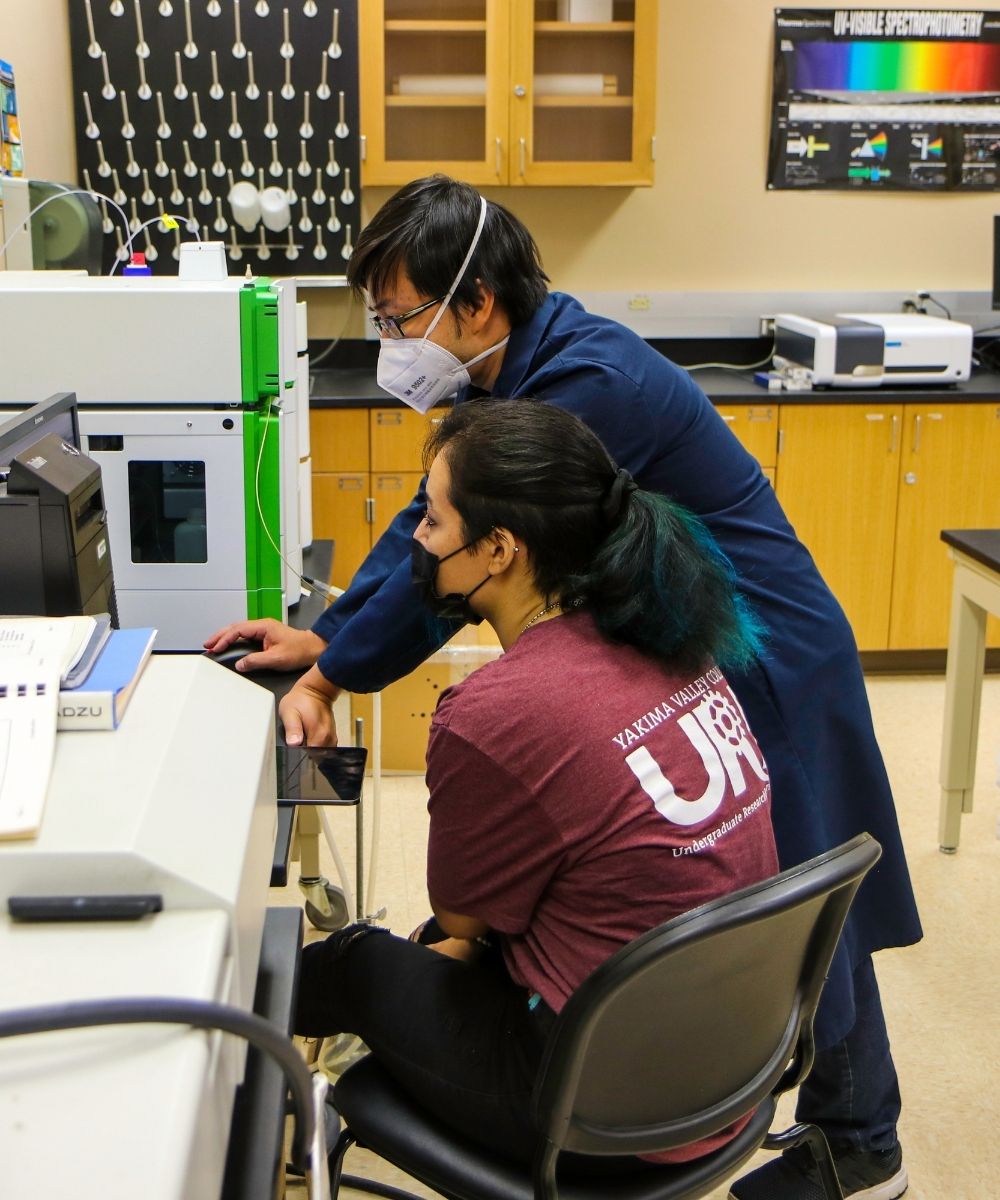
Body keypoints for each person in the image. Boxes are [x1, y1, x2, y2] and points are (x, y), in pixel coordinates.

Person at [206, 175, 920, 1199]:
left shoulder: (583, 384)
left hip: (766, 652)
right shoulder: (525, 362)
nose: (387, 338)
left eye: (398, 316)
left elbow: (450, 571)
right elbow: (429, 527)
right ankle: (837, 1125)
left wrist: (332, 665)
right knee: (758, 883)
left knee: (795, 893)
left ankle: (860, 1140)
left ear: (477, 303)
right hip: (699, 634)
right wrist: (325, 636)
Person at [295, 398, 780, 1167]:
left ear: (498, 550)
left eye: (431, 519)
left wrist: (453, 945)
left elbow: (460, 915)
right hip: (729, 1067)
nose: (418, 541)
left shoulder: (495, 713)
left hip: (598, 1106)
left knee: (354, 961)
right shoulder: (675, 636)